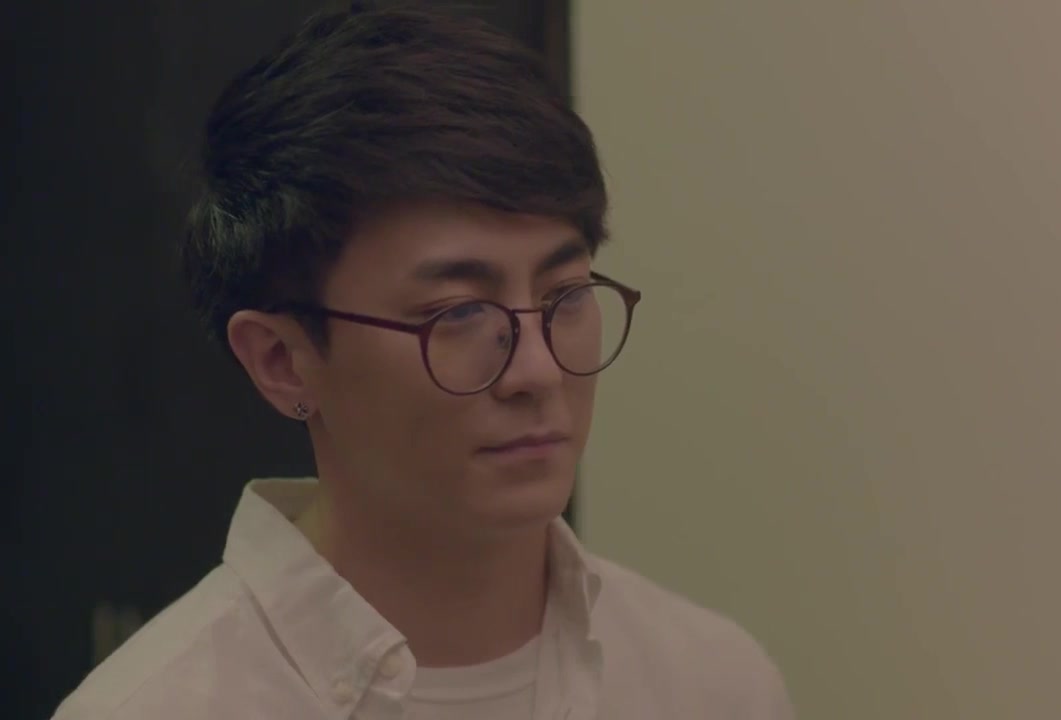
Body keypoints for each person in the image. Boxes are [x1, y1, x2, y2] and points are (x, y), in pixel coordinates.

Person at [52, 3, 794, 719]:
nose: (538, 371)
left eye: (565, 295)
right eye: (459, 313)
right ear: (282, 360)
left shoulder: (710, 683)